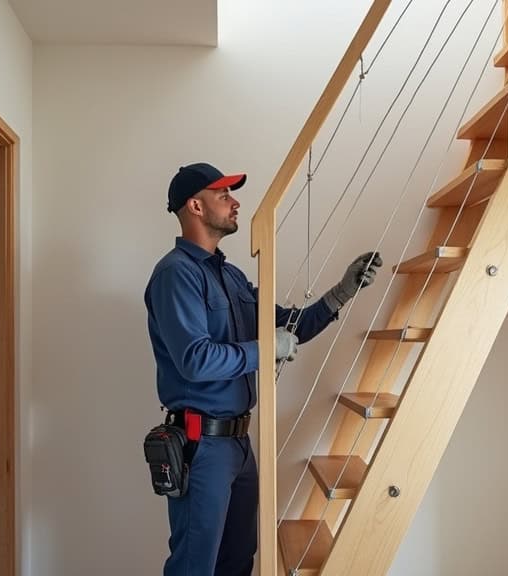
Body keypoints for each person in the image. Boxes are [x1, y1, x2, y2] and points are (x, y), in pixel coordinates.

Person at [144, 162, 382, 575]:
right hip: (201, 446)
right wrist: (265, 347)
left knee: (238, 561)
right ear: (196, 206)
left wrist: (342, 291)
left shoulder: (230, 276)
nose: (235, 203)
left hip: (238, 444)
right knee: (194, 566)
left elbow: (289, 327)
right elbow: (196, 359)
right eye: (224, 195)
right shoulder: (175, 275)